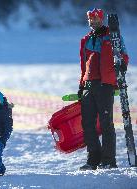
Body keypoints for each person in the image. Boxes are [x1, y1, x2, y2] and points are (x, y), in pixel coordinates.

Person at [78, 8, 129, 170]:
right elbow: (83, 65)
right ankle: (93, 159)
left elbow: (124, 55)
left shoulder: (112, 36)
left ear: (102, 19)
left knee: (106, 124)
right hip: (88, 85)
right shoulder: (85, 39)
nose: (94, 22)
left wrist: (122, 64)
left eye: (97, 20)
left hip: (105, 84)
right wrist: (81, 85)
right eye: (91, 20)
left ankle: (108, 160)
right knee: (88, 124)